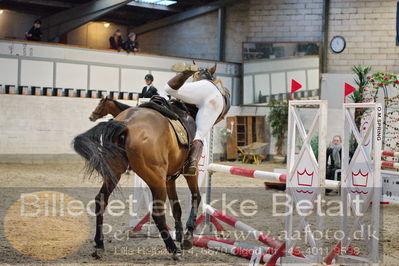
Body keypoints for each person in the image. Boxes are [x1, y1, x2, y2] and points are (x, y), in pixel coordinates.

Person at [165, 62, 226, 176]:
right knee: (199, 135)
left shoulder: (201, 83)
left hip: (205, 88)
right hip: (219, 101)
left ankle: (186, 73)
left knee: (169, 89)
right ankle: (192, 163)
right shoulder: (220, 91)